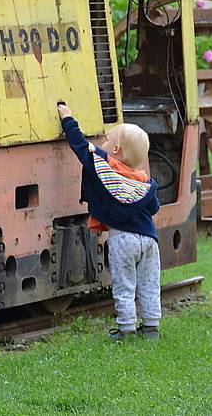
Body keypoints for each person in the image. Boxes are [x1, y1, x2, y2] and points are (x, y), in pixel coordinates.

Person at [56, 102, 161, 340]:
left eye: (106, 140)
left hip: (122, 239)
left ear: (115, 149)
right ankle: (151, 328)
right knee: (149, 284)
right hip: (149, 240)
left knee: (124, 285)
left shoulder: (105, 168)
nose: (101, 143)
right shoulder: (143, 183)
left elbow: (81, 146)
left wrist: (67, 118)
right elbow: (153, 208)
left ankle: (126, 328)